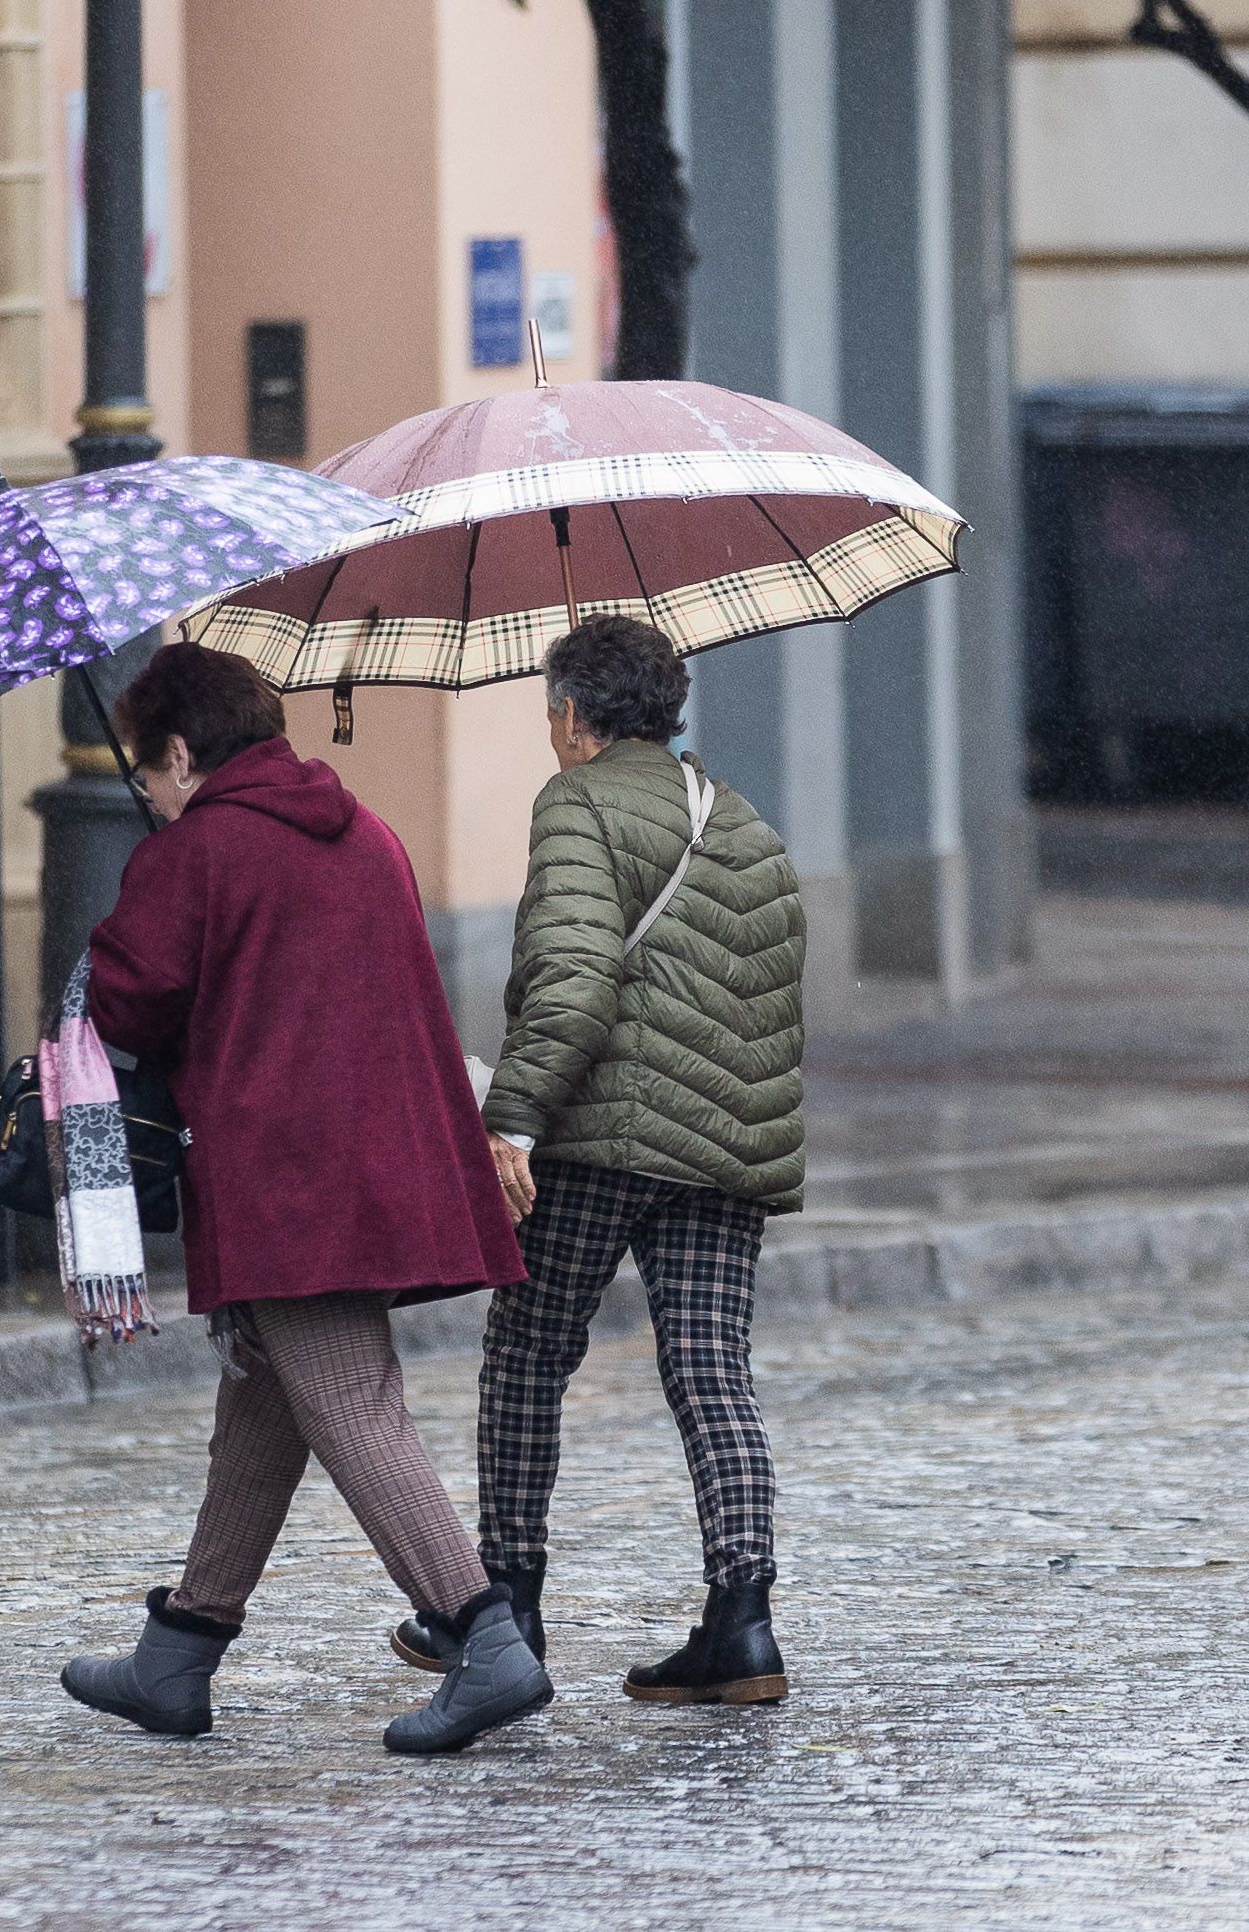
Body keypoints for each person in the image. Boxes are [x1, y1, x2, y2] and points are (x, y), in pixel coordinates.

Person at [57, 642, 550, 1756]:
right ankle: (178, 1653)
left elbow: (127, 1003)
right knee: (265, 1405)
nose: (148, 792)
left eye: (147, 774)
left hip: (288, 1183)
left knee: (350, 1400)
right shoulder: (363, 828)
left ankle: (486, 1640)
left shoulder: (205, 850)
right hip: (379, 1166)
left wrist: (139, 896)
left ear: (182, 753)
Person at [395, 615, 807, 1705]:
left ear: (573, 717)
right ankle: (742, 1620)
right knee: (709, 1367)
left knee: (528, 1352)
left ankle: (507, 1608)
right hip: (723, 1148)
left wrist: (513, 1121)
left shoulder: (574, 802)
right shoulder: (746, 822)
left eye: (548, 708)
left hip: (596, 1139)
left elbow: (574, 978)